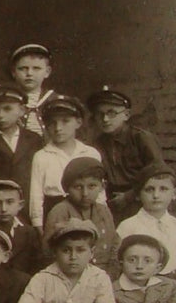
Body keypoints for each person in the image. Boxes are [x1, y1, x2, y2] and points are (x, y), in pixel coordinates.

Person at [87, 86, 165, 218]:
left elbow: (158, 173)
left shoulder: (141, 138)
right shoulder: (97, 143)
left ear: (126, 115)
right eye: (100, 114)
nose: (105, 119)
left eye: (111, 113)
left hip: (140, 200)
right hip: (110, 202)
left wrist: (129, 196)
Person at [117, 166, 176, 297]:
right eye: (149, 189)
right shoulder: (128, 227)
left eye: (163, 189)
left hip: (171, 289)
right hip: (138, 288)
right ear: (138, 195)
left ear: (175, 193)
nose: (156, 195)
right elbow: (119, 267)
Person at [29, 95, 103, 230]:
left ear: (78, 122)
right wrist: (38, 226)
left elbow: (99, 191)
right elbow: (36, 197)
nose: (58, 128)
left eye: (65, 121)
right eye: (52, 123)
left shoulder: (90, 153)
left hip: (87, 211)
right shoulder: (42, 156)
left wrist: (102, 216)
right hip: (54, 213)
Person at [43, 156, 119, 274]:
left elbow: (114, 244)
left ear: (102, 187)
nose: (85, 193)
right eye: (78, 187)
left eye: (92, 186)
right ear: (67, 188)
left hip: (104, 274)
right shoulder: (60, 211)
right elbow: (49, 252)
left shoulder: (104, 211)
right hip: (71, 274)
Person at [0, 179, 44, 274]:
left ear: (20, 205)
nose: (4, 209)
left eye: (10, 202)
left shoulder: (29, 232)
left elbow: (37, 265)